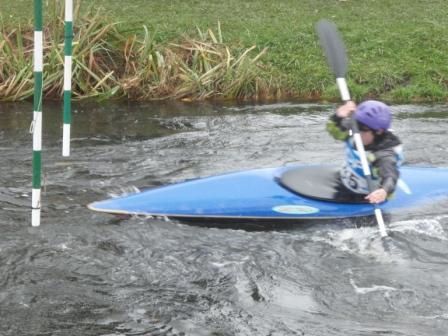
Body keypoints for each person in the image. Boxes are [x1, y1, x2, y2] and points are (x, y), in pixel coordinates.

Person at [326, 100, 404, 204]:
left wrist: (384, 191)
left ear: (378, 131)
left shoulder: (384, 155)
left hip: (364, 196)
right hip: (344, 182)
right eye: (357, 126)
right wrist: (338, 116)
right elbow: (335, 132)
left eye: (362, 129)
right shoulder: (358, 129)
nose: (357, 132)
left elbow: (390, 176)